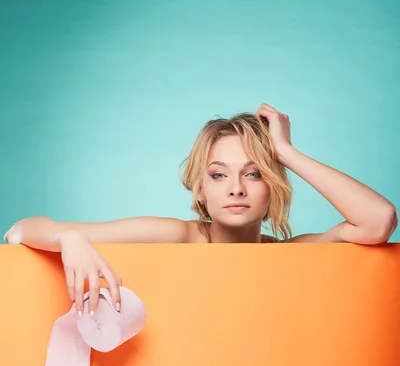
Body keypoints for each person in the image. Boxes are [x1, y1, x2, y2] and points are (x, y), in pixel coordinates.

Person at [4, 102, 398, 315]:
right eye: (219, 175)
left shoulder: (293, 255)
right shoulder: (178, 236)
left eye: (255, 174)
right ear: (200, 188)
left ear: (272, 188)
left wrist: (286, 153)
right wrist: (70, 238)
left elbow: (379, 220)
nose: (237, 189)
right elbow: (20, 231)